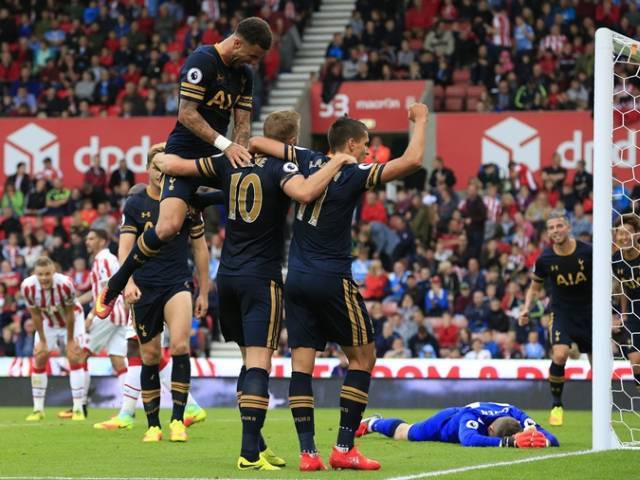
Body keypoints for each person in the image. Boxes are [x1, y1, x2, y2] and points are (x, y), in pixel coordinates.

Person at [155, 110, 357, 471]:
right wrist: (338, 160)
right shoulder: (284, 168)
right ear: (291, 142)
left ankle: (258, 444)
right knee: (259, 362)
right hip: (261, 278)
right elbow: (308, 193)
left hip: (227, 276)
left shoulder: (230, 161)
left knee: (248, 362)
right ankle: (249, 453)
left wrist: (160, 162)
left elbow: (172, 164)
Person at [245, 103, 428, 471]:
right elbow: (411, 162)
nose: (367, 152)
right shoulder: (354, 171)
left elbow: (256, 142)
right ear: (350, 144)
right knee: (363, 357)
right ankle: (344, 447)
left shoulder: (306, 158)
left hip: (294, 277)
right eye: (365, 145)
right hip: (331, 278)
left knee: (302, 366)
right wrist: (421, 120)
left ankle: (308, 454)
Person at [96, 16, 272, 318]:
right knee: (168, 227)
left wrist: (238, 151)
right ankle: (116, 284)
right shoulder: (202, 60)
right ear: (238, 42)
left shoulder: (244, 74)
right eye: (253, 55)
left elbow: (242, 123)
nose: (254, 62)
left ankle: (203, 207)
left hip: (218, 156)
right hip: (186, 153)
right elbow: (187, 114)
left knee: (256, 188)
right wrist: (224, 145)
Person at [92, 162, 208, 432]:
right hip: (143, 286)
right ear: (148, 169)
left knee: (179, 347)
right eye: (155, 165)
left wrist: (204, 289)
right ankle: (152, 422)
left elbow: (200, 249)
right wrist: (128, 282)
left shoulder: (186, 201)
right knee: (149, 354)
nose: (160, 171)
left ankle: (177, 419)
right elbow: (126, 248)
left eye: (164, 166)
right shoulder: (134, 205)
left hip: (177, 282)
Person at [519, 209, 592, 426]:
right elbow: (534, 288)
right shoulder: (545, 259)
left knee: (598, 365)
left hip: (590, 313)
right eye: (551, 228)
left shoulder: (588, 252)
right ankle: (557, 405)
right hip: (562, 313)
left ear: (568, 227)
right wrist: (525, 308)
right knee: (560, 355)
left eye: (559, 226)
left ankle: (604, 407)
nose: (555, 231)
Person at [20, 256, 88, 421]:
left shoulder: (65, 284)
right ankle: (38, 410)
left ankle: (78, 409)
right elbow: (35, 315)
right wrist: (42, 341)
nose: (44, 278)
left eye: (47, 274)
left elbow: (70, 313)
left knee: (74, 356)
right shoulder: (27, 287)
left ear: (54, 272)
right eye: (40, 274)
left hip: (73, 320)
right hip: (49, 322)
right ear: (35, 273)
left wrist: (70, 340)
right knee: (40, 356)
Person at [355, 402, 559, 448]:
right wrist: (509, 443)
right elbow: (468, 439)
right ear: (489, 430)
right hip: (446, 422)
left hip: (462, 418)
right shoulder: (471, 417)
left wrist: (542, 441)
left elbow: (554, 439)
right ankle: (373, 423)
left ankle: (373, 422)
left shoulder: (517, 414)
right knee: (406, 432)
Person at [77, 229, 128, 407]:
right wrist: (75, 302)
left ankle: (80, 405)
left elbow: (107, 290)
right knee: (118, 360)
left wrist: (91, 315)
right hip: (118, 313)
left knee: (80, 354)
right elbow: (94, 293)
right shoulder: (106, 260)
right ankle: (128, 406)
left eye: (91, 238)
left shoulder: (104, 260)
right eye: (87, 239)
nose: (87, 242)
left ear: (103, 241)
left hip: (108, 312)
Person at [611, 214, 640, 395]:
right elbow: (622, 289)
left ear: (637, 235)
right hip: (633, 312)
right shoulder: (616, 260)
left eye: (628, 233)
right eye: (620, 233)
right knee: (635, 362)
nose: (624, 237)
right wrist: (623, 313)